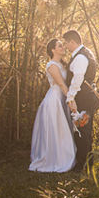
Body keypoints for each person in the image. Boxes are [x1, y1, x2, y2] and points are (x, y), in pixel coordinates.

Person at [29, 38, 77, 172]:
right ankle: (55, 158)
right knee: (57, 129)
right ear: (53, 50)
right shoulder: (51, 65)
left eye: (63, 45)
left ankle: (64, 155)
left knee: (62, 129)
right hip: (54, 100)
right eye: (60, 46)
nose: (63, 48)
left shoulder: (62, 64)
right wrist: (71, 99)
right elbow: (61, 84)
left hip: (62, 97)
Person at [63, 29, 98, 172]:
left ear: (72, 41)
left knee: (81, 128)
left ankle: (82, 163)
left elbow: (78, 78)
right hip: (87, 95)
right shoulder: (86, 52)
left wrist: (70, 97)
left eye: (66, 43)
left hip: (82, 96)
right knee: (85, 128)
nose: (65, 46)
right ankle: (88, 162)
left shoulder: (80, 57)